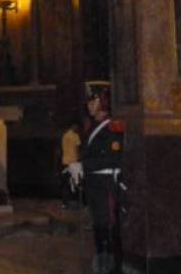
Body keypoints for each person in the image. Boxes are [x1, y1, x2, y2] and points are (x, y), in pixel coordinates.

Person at [68, 81, 124, 274]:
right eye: (89, 102)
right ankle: (102, 266)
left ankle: (110, 269)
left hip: (106, 185)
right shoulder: (94, 127)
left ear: (103, 102)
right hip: (95, 186)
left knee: (107, 228)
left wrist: (83, 166)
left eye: (93, 101)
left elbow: (112, 158)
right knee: (99, 228)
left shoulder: (113, 127)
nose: (89, 105)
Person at [59, 118, 82, 209]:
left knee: (66, 184)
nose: (77, 128)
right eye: (77, 126)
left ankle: (65, 203)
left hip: (65, 162)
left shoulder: (65, 135)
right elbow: (78, 148)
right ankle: (78, 202)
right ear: (74, 126)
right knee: (77, 182)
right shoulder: (75, 136)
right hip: (74, 163)